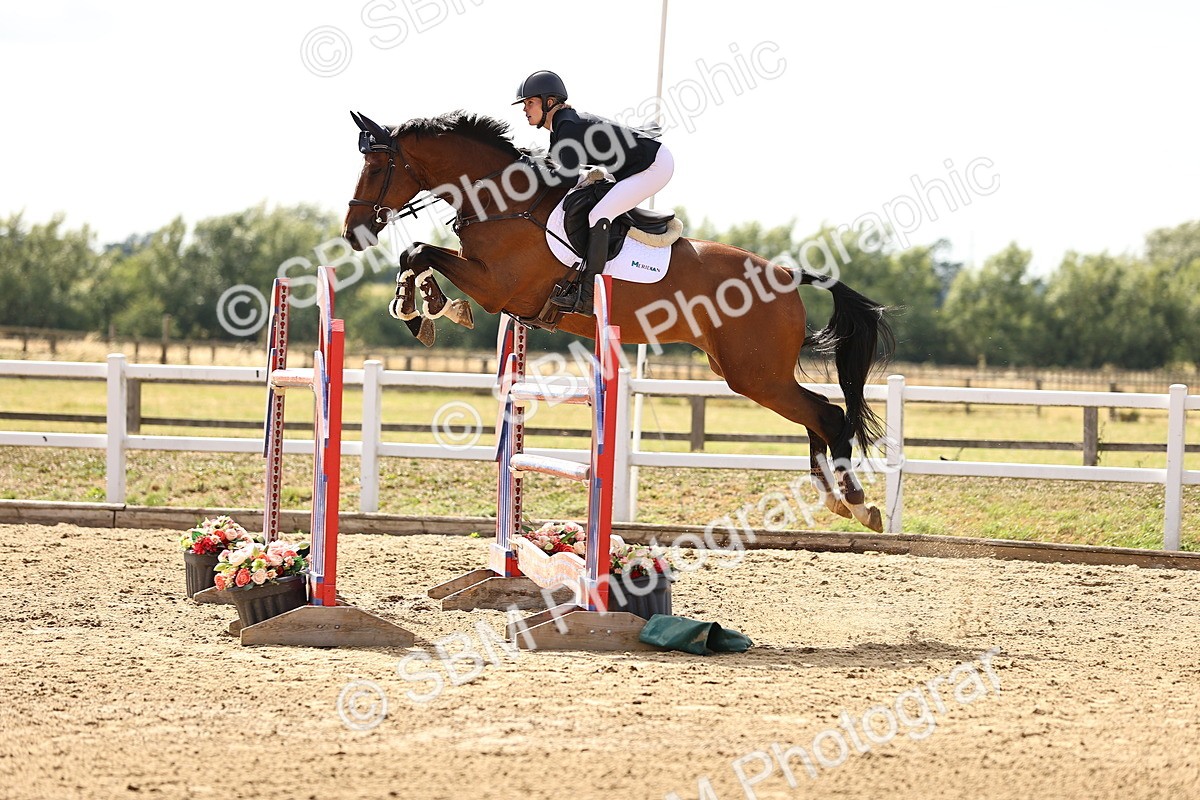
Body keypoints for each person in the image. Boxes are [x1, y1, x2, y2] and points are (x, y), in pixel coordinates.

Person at [514, 69, 674, 314]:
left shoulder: (567, 127)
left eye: (529, 102)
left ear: (548, 102)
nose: (525, 109)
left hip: (654, 166)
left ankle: (588, 295)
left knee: (598, 215)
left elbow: (565, 178)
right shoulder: (561, 126)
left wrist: (529, 166)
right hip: (636, 166)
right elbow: (555, 167)